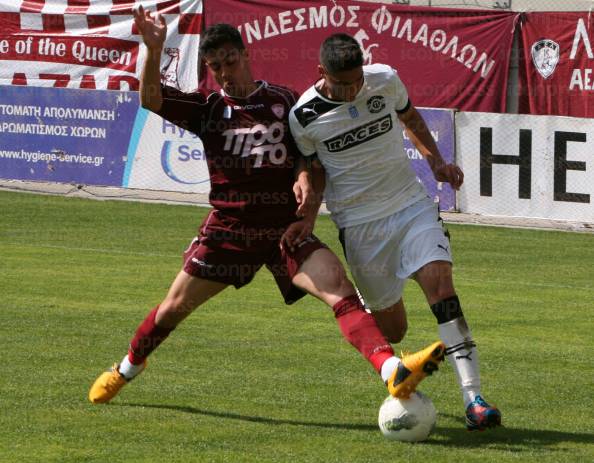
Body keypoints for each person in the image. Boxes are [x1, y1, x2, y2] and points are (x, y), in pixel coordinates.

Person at [88, 12, 446, 405]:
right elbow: (151, 99)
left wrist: (303, 177)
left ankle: (391, 370)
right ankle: (127, 367)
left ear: (245, 54)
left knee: (340, 290)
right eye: (215, 66)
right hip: (231, 230)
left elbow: (306, 156)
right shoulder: (207, 109)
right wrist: (153, 49)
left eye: (230, 60)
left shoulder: (284, 102)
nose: (225, 72)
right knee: (175, 308)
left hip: (284, 230)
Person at [288, 33, 502, 431]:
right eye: (342, 83)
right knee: (393, 328)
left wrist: (435, 161)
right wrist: (308, 217)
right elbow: (314, 170)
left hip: (409, 207)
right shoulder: (303, 115)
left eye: (357, 81)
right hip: (360, 226)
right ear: (321, 73)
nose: (353, 90)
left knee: (441, 285)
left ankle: (474, 397)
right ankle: (396, 370)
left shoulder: (384, 79)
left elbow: (410, 116)